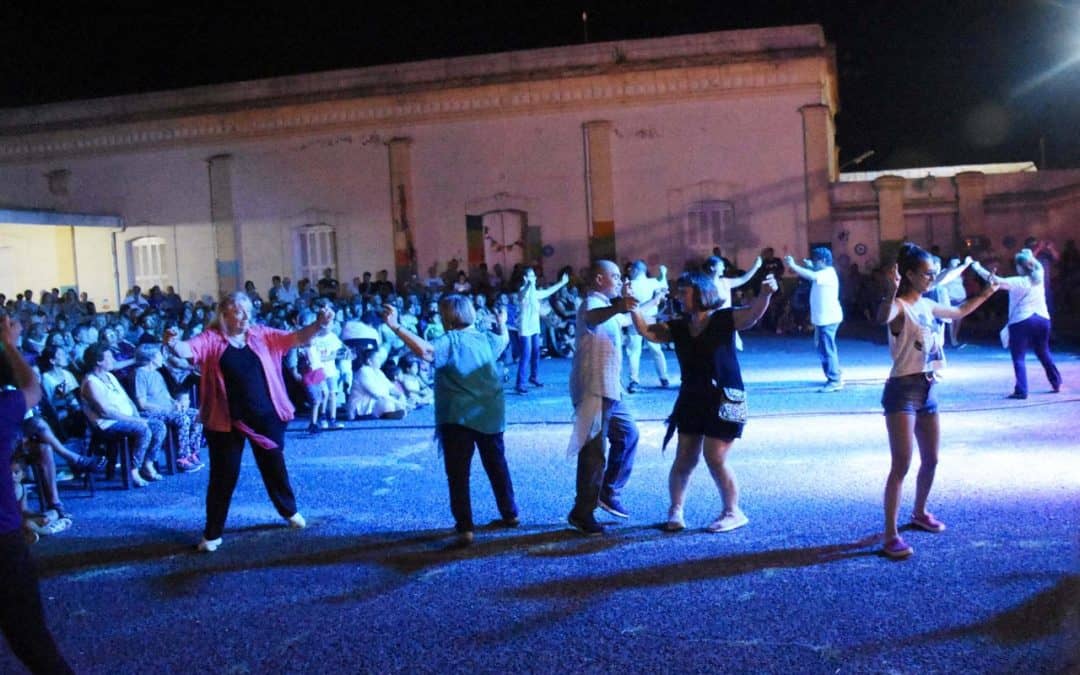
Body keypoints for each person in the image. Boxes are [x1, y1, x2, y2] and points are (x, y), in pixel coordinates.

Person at [164, 292, 333, 552]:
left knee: (274, 467)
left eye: (247, 311)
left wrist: (319, 324)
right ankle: (212, 534)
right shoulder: (212, 339)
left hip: (266, 416)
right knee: (223, 475)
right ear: (224, 314)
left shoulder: (261, 334)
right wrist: (173, 343)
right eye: (238, 311)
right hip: (226, 420)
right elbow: (189, 349)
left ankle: (289, 511)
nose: (245, 316)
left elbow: (297, 337)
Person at [876, 243, 999, 559]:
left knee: (931, 459)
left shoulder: (928, 306)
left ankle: (919, 512)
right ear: (910, 275)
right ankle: (890, 535)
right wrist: (891, 289)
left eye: (933, 273)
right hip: (902, 391)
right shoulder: (901, 307)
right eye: (928, 273)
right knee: (901, 464)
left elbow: (958, 312)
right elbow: (882, 316)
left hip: (929, 388)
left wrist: (987, 293)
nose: (932, 278)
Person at [632, 271, 777, 533]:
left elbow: (752, 316)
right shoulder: (678, 326)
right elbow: (646, 331)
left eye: (684, 291)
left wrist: (765, 294)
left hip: (725, 396)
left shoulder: (723, 318)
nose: (679, 296)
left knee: (715, 457)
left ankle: (733, 511)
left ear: (701, 292)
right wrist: (632, 307)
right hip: (691, 396)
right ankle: (675, 512)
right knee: (685, 457)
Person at [383, 295, 518, 546]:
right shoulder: (485, 337)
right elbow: (503, 340)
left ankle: (465, 528)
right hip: (490, 413)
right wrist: (501, 322)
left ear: (448, 316)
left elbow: (426, 351)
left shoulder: (451, 340)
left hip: (458, 416)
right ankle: (510, 513)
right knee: (497, 466)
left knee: (458, 474)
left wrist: (395, 326)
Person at [0, 315, 75, 674]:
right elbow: (32, 388)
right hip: (3, 544)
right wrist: (10, 345)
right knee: (33, 641)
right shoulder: (2, 410)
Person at [566, 260, 641, 536]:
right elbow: (593, 317)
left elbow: (631, 319)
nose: (620, 281)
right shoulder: (591, 303)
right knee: (593, 452)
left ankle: (608, 491)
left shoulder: (608, 308)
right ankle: (582, 511)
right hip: (592, 388)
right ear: (599, 279)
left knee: (629, 435)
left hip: (611, 388)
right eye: (615, 276)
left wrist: (645, 302)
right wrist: (619, 306)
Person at [971, 249, 1062, 399]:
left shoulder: (1016, 282)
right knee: (1044, 352)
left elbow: (994, 281)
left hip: (1022, 321)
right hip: (1043, 320)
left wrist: (976, 267)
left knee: (1019, 357)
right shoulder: (1039, 275)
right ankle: (1056, 382)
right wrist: (1029, 254)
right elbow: (1035, 263)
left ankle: (1022, 390)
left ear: (1020, 267)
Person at [81, 342, 167, 487]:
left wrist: (137, 416)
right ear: (98, 361)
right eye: (109, 357)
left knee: (158, 426)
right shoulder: (91, 382)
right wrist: (135, 420)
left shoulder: (109, 375)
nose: (113, 360)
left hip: (126, 418)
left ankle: (148, 463)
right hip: (107, 424)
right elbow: (105, 412)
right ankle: (133, 470)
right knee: (143, 429)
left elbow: (127, 400)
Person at [133, 343, 204, 472]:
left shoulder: (157, 374)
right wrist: (167, 409)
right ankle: (182, 458)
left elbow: (165, 396)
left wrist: (176, 403)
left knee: (197, 415)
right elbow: (142, 404)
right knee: (183, 419)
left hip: (167, 408)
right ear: (151, 358)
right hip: (150, 412)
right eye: (159, 355)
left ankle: (193, 453)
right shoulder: (140, 374)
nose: (162, 357)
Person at [784, 248, 845, 391]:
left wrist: (793, 266)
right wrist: (810, 266)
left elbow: (812, 276)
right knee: (824, 348)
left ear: (823, 261)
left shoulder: (827, 273)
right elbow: (815, 273)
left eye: (816, 261)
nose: (814, 263)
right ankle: (834, 373)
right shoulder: (826, 272)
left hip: (827, 319)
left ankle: (834, 380)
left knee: (826, 349)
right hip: (824, 319)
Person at [514, 267, 569, 394]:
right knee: (526, 354)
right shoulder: (523, 290)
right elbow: (522, 296)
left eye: (534, 276)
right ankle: (520, 384)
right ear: (525, 278)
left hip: (534, 326)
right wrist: (528, 285)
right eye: (531, 276)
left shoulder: (536, 293)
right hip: (525, 327)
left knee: (536, 353)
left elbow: (549, 291)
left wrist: (562, 283)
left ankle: (533, 377)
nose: (534, 278)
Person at [625, 260, 670, 392]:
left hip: (634, 320)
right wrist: (663, 273)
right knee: (656, 350)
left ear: (636, 270)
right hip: (650, 321)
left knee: (633, 352)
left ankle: (634, 380)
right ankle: (663, 377)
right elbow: (665, 287)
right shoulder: (653, 282)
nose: (629, 271)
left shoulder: (629, 284)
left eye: (631, 269)